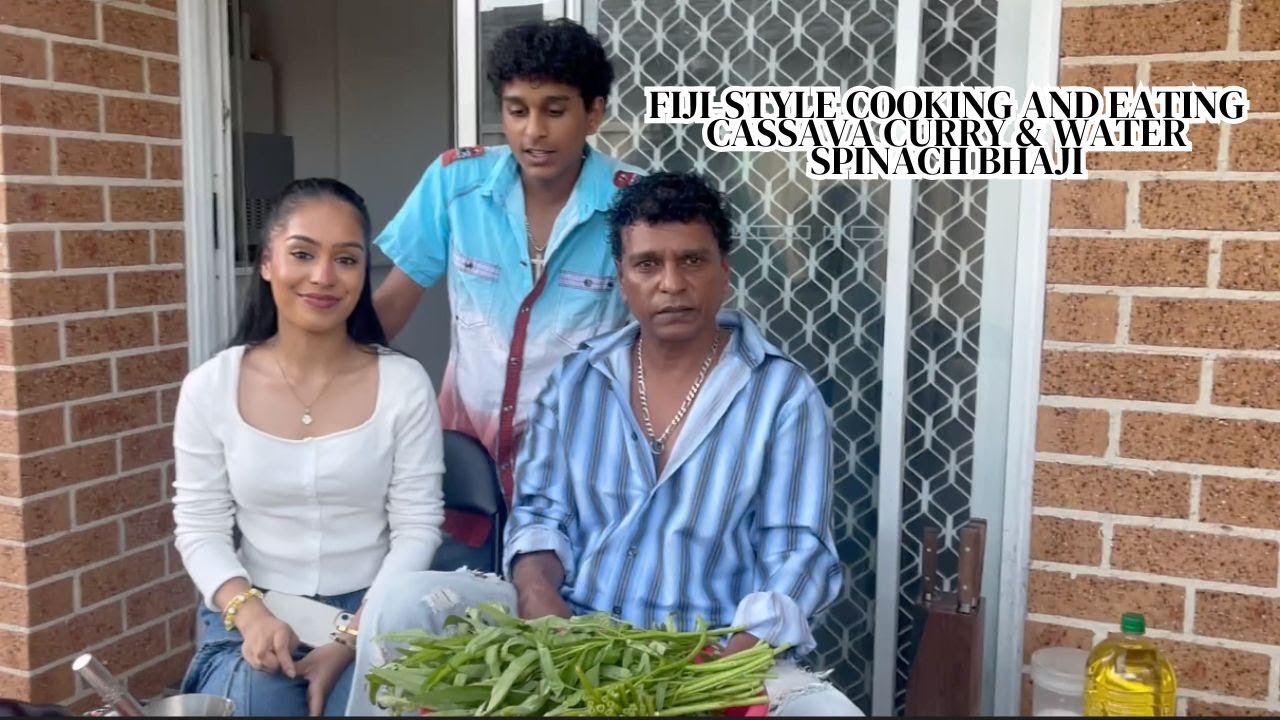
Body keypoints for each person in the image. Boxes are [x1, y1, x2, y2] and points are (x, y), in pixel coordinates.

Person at [348, 172, 862, 716]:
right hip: (575, 628)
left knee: (832, 713)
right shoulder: (578, 380)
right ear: (621, 278)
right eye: (648, 265)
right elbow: (540, 515)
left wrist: (726, 669)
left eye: (692, 261)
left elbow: (799, 552)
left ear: (724, 272)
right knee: (400, 604)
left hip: (710, 643)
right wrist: (541, 603)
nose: (672, 282)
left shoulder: (781, 393)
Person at [171, 178, 446, 716]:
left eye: (346, 259)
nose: (323, 277)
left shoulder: (404, 383)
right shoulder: (209, 387)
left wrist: (351, 640)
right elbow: (199, 526)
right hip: (251, 607)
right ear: (269, 262)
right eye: (302, 253)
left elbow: (418, 526)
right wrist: (248, 612)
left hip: (374, 608)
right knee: (258, 703)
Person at [370, 19, 644, 548]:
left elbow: (656, 339)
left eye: (555, 111)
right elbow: (392, 306)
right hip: (465, 468)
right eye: (517, 110)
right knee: (466, 619)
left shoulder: (632, 204)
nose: (532, 132)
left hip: (582, 474)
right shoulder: (455, 183)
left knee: (559, 620)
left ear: (593, 113)